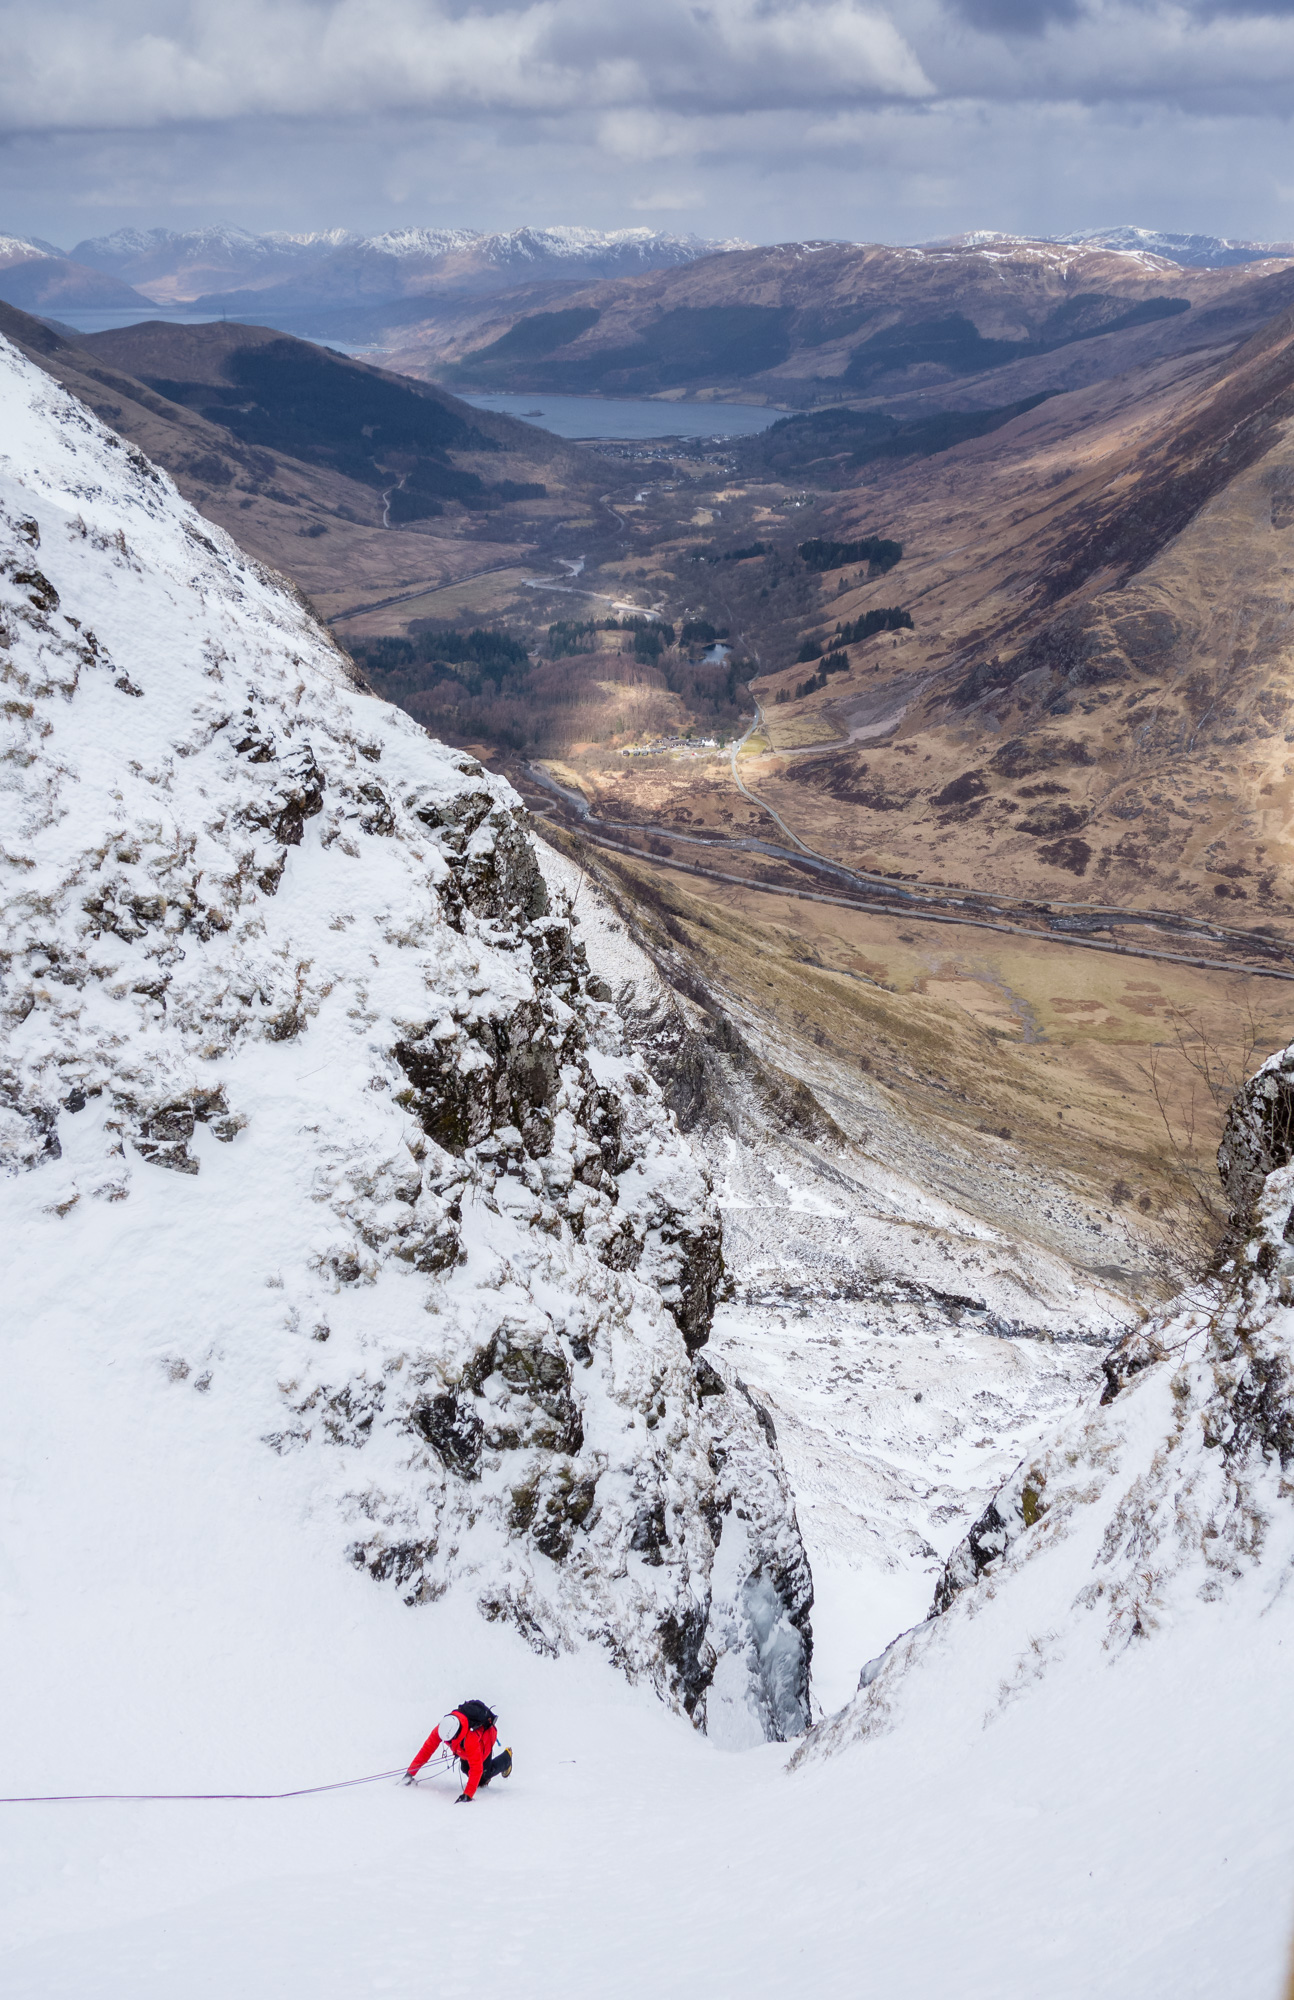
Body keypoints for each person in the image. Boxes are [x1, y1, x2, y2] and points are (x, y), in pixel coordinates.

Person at [403, 1701, 513, 1802]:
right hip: (464, 1749)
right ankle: (482, 1779)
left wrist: (467, 1795)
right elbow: (426, 1750)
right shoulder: (442, 1728)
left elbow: (476, 1768)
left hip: (485, 1739)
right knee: (466, 1769)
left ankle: (506, 1758)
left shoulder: (470, 1739)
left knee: (483, 1774)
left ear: (455, 1735)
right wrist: (410, 1773)